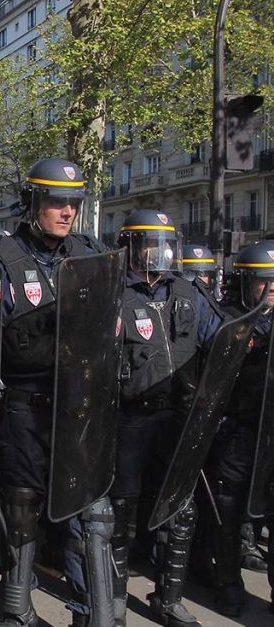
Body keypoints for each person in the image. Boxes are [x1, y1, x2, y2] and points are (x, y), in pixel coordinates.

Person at [0, 159, 113, 627]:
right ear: (32, 202)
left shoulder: (90, 253)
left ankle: (94, 613)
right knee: (21, 510)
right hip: (23, 408)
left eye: (74, 203)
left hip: (79, 409)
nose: (66, 212)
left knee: (92, 514)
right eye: (56, 202)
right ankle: (16, 610)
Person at [110, 210, 222, 627]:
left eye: (165, 244)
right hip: (130, 419)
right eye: (149, 243)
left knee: (180, 510)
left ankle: (168, 598)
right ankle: (115, 600)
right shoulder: (114, 294)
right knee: (120, 514)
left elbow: (218, 338)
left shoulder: (188, 292)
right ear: (131, 247)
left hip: (178, 418)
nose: (159, 253)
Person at [203, 240, 274, 616]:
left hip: (270, 432)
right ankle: (227, 582)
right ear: (247, 283)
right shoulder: (228, 319)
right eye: (265, 281)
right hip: (236, 433)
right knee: (227, 515)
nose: (273, 289)